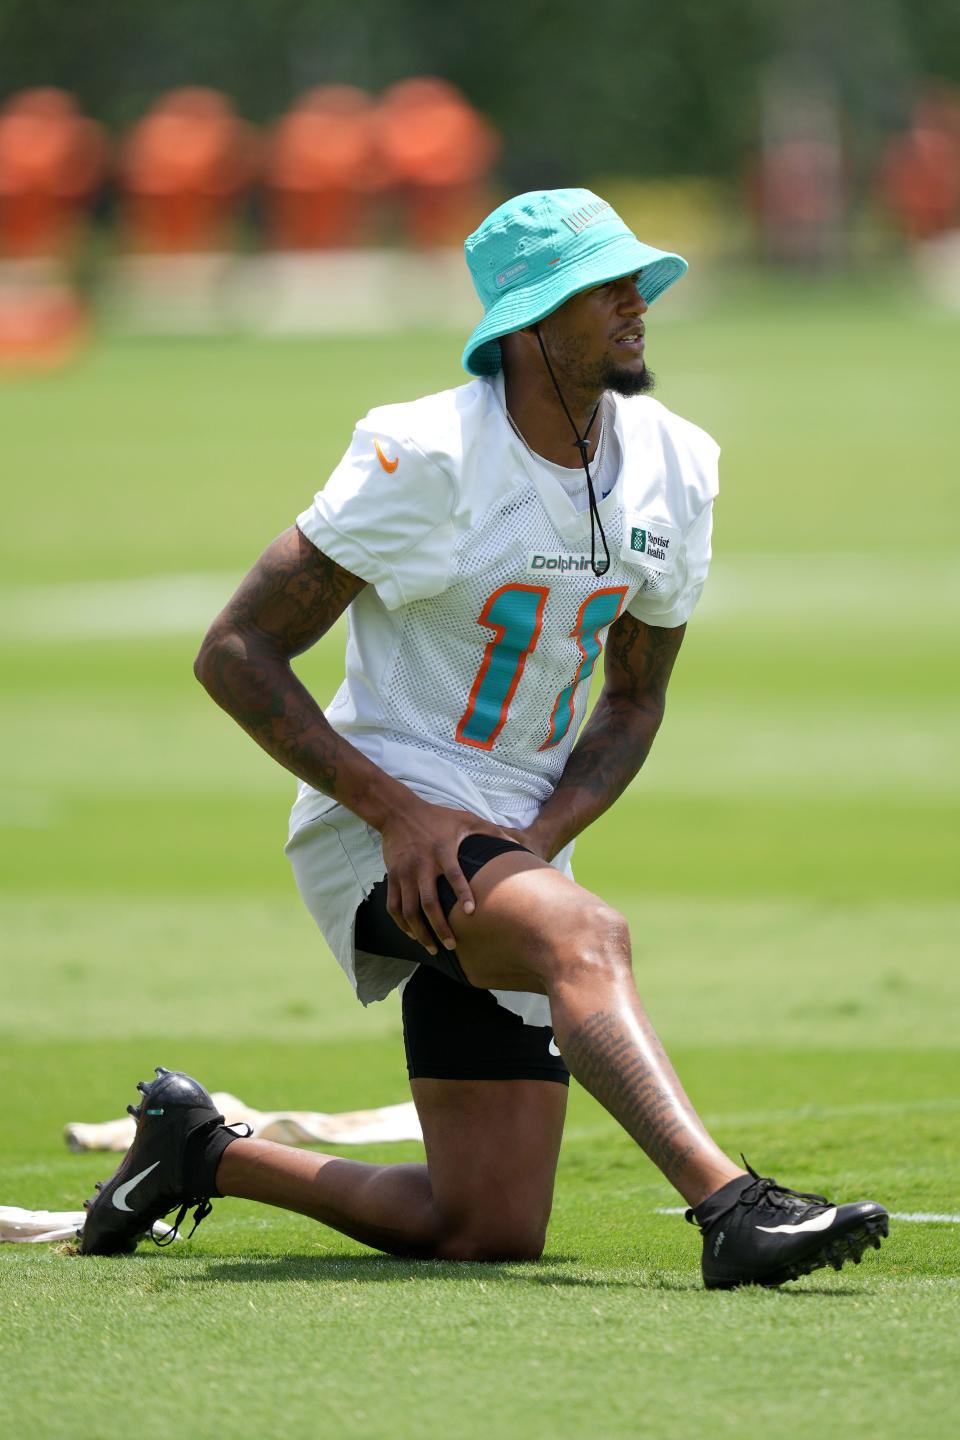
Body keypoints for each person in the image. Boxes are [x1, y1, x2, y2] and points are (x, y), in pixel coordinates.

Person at [80, 188, 888, 1287]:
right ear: (527, 322)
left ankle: (198, 1152)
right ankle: (733, 1210)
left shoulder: (676, 462)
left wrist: (541, 840)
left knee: (485, 1225)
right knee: (586, 941)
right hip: (385, 817)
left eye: (633, 281)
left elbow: (635, 698)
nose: (634, 304)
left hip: (517, 834)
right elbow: (235, 651)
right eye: (601, 288)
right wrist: (399, 814)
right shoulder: (427, 455)